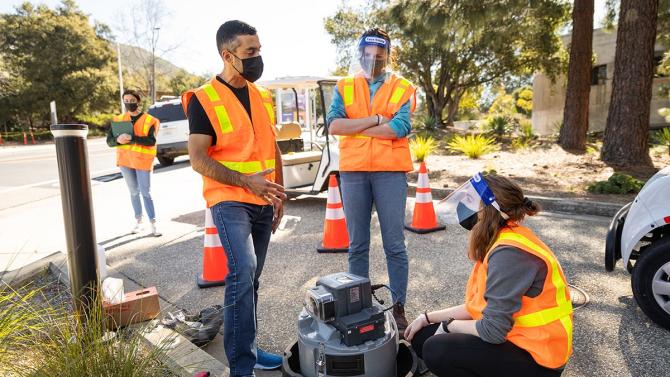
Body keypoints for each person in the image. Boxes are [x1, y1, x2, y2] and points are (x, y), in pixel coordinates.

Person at [182, 20, 286, 376]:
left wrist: (280, 194)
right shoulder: (203, 99)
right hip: (229, 198)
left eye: (259, 50)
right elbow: (198, 158)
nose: (258, 58)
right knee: (242, 270)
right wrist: (247, 182)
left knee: (250, 280)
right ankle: (241, 367)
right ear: (228, 55)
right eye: (250, 52)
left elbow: (272, 148)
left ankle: (250, 349)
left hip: (262, 199)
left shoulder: (261, 95)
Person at [404, 173, 573, 377]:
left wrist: (449, 326)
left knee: (437, 349)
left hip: (538, 359)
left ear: (489, 211)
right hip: (515, 338)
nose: (464, 207)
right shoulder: (500, 239)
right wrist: (427, 317)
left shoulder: (509, 254)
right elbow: (478, 307)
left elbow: (492, 331)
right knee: (422, 337)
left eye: (470, 201)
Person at [326, 28, 416, 333]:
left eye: (380, 56)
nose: (373, 60)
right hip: (353, 173)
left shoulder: (402, 87)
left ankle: (399, 308)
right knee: (357, 246)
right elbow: (334, 125)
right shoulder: (345, 85)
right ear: (360, 53)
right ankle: (358, 307)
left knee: (395, 245)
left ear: (388, 56)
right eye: (368, 54)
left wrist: (355, 127)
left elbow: (400, 128)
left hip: (390, 172)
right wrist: (377, 120)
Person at [107, 89, 161, 236]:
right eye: (126, 101)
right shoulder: (118, 120)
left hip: (143, 161)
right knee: (133, 192)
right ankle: (139, 221)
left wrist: (133, 138)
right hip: (125, 161)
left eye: (132, 101)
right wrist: (117, 140)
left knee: (145, 192)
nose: (129, 103)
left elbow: (151, 141)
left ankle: (153, 223)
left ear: (138, 102)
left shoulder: (150, 120)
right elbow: (109, 141)